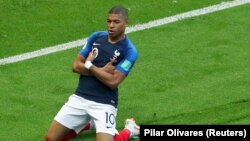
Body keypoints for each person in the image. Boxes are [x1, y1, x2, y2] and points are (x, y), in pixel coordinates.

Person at [45, 5, 139, 141]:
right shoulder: (96, 37)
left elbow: (113, 82)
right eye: (109, 21)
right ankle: (89, 124)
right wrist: (100, 71)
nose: (111, 25)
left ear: (126, 22)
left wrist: (89, 65)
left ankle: (130, 129)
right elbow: (76, 66)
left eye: (116, 22)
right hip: (79, 98)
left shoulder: (130, 51)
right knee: (50, 138)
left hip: (104, 103)